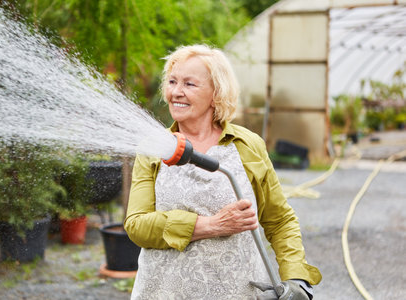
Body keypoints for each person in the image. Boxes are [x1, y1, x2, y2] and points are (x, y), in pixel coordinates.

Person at [124, 44, 322, 299]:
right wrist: (211, 225)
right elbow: (136, 225)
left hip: (239, 291)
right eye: (172, 81)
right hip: (165, 291)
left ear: (216, 93)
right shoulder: (154, 148)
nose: (176, 92)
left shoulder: (247, 145)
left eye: (189, 84)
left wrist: (296, 278)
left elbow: (279, 219)